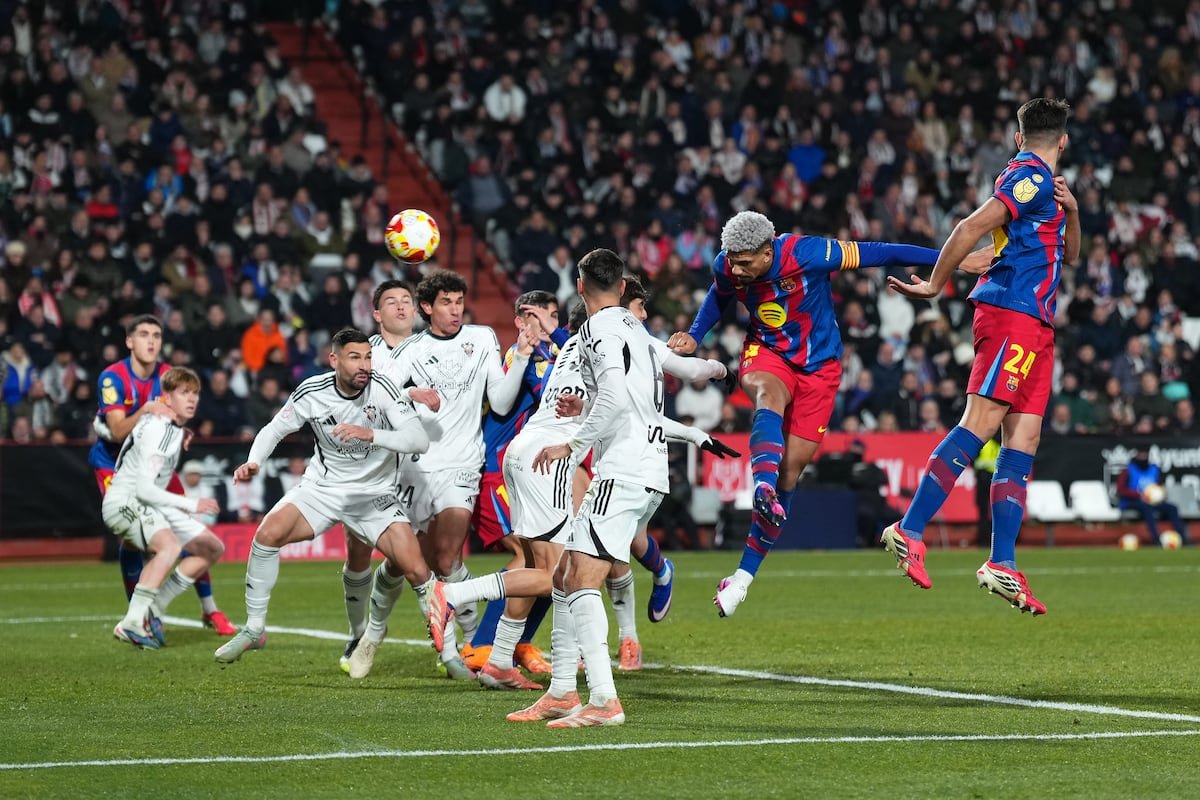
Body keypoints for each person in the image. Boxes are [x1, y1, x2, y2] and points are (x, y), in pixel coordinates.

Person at [430, 249, 734, 727]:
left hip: (621, 469)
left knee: (579, 578)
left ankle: (603, 701)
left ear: (580, 283)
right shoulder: (637, 332)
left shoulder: (597, 330)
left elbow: (611, 395)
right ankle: (561, 691)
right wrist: (723, 372)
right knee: (569, 572)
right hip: (644, 469)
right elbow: (693, 371)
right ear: (625, 291)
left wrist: (573, 448)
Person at [667, 211, 988, 617]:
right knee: (767, 395)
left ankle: (742, 578)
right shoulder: (728, 264)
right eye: (731, 261)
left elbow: (881, 251)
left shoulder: (809, 252)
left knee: (792, 469)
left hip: (821, 369)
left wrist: (954, 260)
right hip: (768, 353)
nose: (736, 269)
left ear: (768, 252)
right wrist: (695, 335)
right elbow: (719, 294)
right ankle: (761, 489)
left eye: (745, 262)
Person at [880, 98, 1080, 616]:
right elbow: (971, 226)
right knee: (982, 421)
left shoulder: (1051, 193)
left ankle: (1002, 562)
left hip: (1037, 323)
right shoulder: (1028, 177)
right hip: (1012, 315)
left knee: (1024, 437)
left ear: (1020, 136)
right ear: (1062, 140)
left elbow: (1064, 255)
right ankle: (909, 528)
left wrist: (1074, 211)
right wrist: (934, 288)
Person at [213, 328, 441, 664]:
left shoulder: (384, 387)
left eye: (367, 356)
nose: (364, 364)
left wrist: (370, 433)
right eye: (354, 357)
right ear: (334, 360)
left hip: (373, 494)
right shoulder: (312, 391)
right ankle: (254, 628)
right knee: (267, 534)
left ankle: (448, 652)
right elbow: (275, 429)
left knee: (412, 569)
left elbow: (418, 441)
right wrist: (254, 461)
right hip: (323, 490)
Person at [381, 270, 534, 678]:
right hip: (417, 468)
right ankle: (460, 639)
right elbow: (381, 396)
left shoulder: (482, 338)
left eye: (459, 302)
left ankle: (465, 649)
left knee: (447, 555)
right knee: (426, 565)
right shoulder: (410, 351)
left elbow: (500, 403)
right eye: (446, 303)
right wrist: (413, 393)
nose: (455, 310)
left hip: (464, 464)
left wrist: (518, 356)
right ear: (427, 308)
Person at [88, 314, 234, 635]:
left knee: (192, 533)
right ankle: (139, 616)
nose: (152, 341)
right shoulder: (112, 378)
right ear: (129, 341)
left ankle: (208, 608)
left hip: (158, 464)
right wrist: (147, 410)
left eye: (157, 335)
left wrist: (180, 431)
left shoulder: (169, 375)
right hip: (115, 464)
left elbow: (178, 415)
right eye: (143, 335)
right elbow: (115, 432)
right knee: (135, 538)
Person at [463, 290, 567, 677]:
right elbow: (551, 396)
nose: (551, 325)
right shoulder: (522, 358)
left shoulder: (545, 356)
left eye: (556, 316)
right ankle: (482, 646)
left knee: (552, 564)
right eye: (544, 317)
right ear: (523, 321)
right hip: (499, 473)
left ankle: (516, 642)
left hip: (527, 474)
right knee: (532, 560)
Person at [102, 367, 225, 649]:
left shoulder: (169, 427)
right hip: (126, 501)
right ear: (166, 398)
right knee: (168, 547)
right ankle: (132, 622)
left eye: (194, 393)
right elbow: (144, 488)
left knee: (211, 548)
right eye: (183, 393)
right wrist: (192, 503)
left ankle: (155, 607)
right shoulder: (162, 429)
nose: (191, 399)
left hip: (148, 502)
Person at [335, 279, 417, 674]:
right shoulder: (363, 354)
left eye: (407, 300)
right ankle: (357, 632)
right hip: (374, 467)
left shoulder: (434, 347)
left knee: (414, 559)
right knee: (357, 549)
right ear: (376, 312)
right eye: (392, 301)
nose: (402, 307)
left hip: (426, 466)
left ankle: (454, 648)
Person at [1116, 448, 1191, 546]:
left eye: (1145, 455)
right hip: (1132, 502)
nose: (1143, 457)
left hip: (1152, 502)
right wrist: (1139, 495)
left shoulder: (1154, 469)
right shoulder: (1128, 470)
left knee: (1172, 508)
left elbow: (1159, 487)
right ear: (1136, 456)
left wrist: (1160, 494)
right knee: (1147, 508)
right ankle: (1156, 539)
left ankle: (1183, 538)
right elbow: (1121, 490)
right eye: (1140, 455)